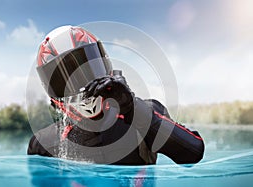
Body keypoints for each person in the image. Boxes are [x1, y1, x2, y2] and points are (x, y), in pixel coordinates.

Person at [27, 25, 205, 165]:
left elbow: (193, 152)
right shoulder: (43, 143)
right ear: (54, 98)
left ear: (108, 70)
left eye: (88, 70)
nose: (82, 87)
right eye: (66, 81)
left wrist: (133, 109)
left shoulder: (144, 114)